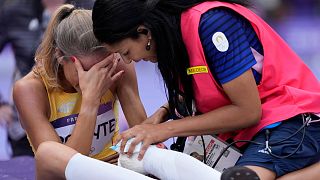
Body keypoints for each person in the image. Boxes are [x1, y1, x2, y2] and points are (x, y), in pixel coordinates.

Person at [92, 0, 320, 179]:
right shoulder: (171, 36)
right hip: (245, 134)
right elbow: (205, 88)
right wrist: (163, 113)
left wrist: (167, 130)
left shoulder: (213, 25)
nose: (129, 61)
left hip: (292, 119)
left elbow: (248, 111)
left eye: (126, 52)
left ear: (144, 32)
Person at [12, 3, 146, 175]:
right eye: (86, 71)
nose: (96, 79)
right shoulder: (29, 90)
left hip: (113, 169)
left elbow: (143, 133)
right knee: (48, 152)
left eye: (102, 68)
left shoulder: (116, 66)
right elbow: (62, 170)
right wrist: (91, 100)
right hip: (67, 177)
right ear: (60, 56)